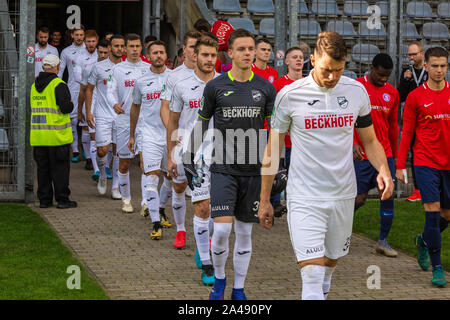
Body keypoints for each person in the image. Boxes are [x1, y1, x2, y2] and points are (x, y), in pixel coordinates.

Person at [258, 31, 394, 300]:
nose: (332, 77)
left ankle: (326, 281)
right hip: (304, 195)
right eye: (326, 70)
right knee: (311, 274)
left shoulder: (356, 92)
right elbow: (272, 149)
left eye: (339, 70)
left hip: (343, 193)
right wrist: (265, 199)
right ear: (312, 60)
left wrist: (384, 170)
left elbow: (370, 140)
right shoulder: (289, 95)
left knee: (330, 261)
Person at [183, 29, 277, 300]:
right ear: (231, 53)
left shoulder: (265, 88)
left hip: (253, 171)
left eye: (251, 49)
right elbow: (201, 123)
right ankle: (220, 282)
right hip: (222, 168)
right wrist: (188, 156)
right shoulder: (215, 86)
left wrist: (277, 166)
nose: (248, 53)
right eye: (243, 49)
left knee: (245, 232)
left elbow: (275, 131)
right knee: (222, 230)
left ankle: (239, 289)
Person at [167, 35, 219, 285]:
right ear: (194, 56)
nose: (209, 60)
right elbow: (174, 121)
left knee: (217, 212)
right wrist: (171, 154)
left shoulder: (225, 83)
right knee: (203, 207)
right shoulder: (182, 85)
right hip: (192, 154)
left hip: (222, 154)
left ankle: (203, 244)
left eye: (213, 55)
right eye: (205, 55)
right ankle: (207, 264)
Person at [396, 47, 450, 288]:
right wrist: (399, 164)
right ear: (425, 66)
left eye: (443, 66)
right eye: (435, 65)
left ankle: (423, 241)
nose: (439, 70)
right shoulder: (416, 97)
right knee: (432, 210)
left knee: (447, 215)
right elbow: (406, 132)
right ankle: (437, 268)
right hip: (425, 161)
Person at [353, 53, 400, 258]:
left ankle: (383, 241)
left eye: (387, 76)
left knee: (387, 196)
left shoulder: (392, 93)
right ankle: (336, 231)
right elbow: (348, 119)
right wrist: (353, 142)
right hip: (361, 153)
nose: (383, 79)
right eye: (380, 75)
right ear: (372, 68)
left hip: (385, 153)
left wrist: (395, 157)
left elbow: (392, 125)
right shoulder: (356, 88)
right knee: (358, 198)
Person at [160, 30, 202, 248]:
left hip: (207, 145)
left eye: (199, 47)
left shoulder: (213, 77)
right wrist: (173, 139)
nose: (196, 51)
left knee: (205, 194)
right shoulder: (174, 76)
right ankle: (181, 230)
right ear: (183, 49)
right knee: (178, 187)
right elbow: (165, 108)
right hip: (181, 142)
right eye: (192, 46)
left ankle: (206, 237)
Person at [128, 40, 172, 240]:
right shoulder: (141, 81)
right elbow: (135, 107)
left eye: (161, 52)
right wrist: (132, 134)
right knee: (152, 175)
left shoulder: (174, 78)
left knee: (170, 178)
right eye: (155, 52)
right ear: (149, 55)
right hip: (149, 135)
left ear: (165, 55)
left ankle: (161, 208)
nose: (158, 56)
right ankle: (155, 222)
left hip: (170, 136)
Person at [107, 33, 150, 213]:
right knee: (124, 163)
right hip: (124, 121)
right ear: (125, 48)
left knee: (146, 163)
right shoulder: (118, 69)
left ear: (141, 48)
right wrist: (114, 104)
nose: (134, 50)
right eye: (131, 46)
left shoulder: (148, 68)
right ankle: (126, 199)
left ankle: (146, 202)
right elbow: (111, 90)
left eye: (137, 46)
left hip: (145, 122)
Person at [31, 54, 77, 209]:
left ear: (44, 67)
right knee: (60, 171)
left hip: (39, 137)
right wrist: (70, 104)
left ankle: (44, 200)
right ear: (57, 67)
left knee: (43, 171)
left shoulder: (33, 86)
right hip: (57, 137)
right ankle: (62, 200)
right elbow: (65, 108)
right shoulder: (59, 84)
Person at [86, 34, 125, 200]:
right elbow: (88, 89)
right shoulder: (98, 67)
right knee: (102, 150)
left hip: (121, 116)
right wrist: (88, 111)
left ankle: (116, 185)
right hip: (102, 115)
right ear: (109, 48)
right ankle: (102, 174)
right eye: (116, 46)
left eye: (122, 46)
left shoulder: (127, 67)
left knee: (118, 151)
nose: (120, 49)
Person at [271, 46, 305, 216]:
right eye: (294, 57)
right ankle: (275, 204)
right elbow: (273, 112)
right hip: (284, 141)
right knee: (279, 175)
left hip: (302, 142)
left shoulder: (309, 84)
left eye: (301, 57)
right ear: (286, 61)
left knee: (298, 177)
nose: (298, 60)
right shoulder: (278, 84)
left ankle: (295, 207)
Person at [398, 41, 428, 202]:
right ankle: (418, 190)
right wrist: (406, 81)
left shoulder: (430, 71)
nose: (411, 57)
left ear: (422, 54)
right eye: (409, 54)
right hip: (412, 120)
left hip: (428, 119)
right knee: (415, 155)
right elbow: (400, 96)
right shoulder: (407, 71)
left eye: (413, 54)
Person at [79, 38, 108, 181]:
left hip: (110, 109)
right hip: (93, 108)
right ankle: (97, 170)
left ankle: (105, 168)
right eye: (100, 52)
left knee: (108, 144)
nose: (102, 55)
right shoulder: (90, 68)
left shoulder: (117, 68)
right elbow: (84, 90)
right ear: (97, 51)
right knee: (94, 138)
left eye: (105, 52)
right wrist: (82, 110)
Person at [58, 26, 86, 163]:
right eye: (77, 35)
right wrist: (57, 85)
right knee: (73, 120)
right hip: (73, 88)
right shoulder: (66, 51)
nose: (79, 37)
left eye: (81, 34)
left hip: (89, 89)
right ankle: (75, 150)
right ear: (72, 36)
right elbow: (60, 70)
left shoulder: (91, 49)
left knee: (88, 119)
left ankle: (87, 152)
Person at [75, 30, 99, 172]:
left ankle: (98, 161)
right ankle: (89, 158)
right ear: (85, 42)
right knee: (85, 127)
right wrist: (79, 108)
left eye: (93, 41)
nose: (91, 44)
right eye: (88, 42)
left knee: (95, 130)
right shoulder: (79, 57)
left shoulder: (101, 56)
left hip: (101, 98)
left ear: (97, 41)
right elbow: (79, 78)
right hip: (86, 94)